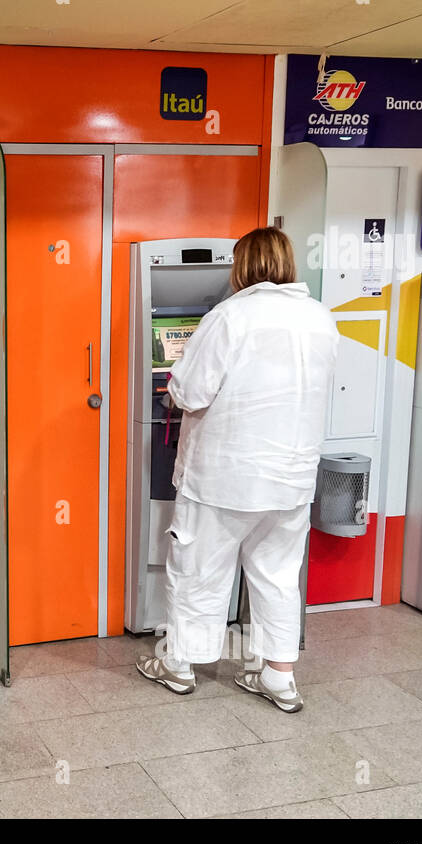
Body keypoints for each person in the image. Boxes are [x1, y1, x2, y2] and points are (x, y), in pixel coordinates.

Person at [136, 227, 338, 712]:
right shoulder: (320, 318)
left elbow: (189, 391)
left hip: (223, 477)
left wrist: (172, 389)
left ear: (243, 266)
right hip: (290, 480)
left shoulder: (229, 316)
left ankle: (180, 665)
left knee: (200, 570)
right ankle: (278, 677)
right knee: (277, 575)